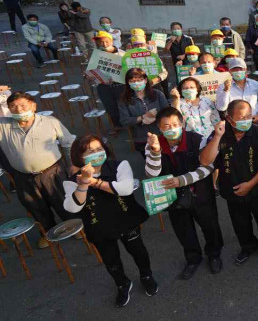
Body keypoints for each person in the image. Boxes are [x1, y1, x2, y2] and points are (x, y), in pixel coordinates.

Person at [63, 135, 155, 307]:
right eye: (90, 152)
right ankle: (122, 284)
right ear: (79, 156)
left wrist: (95, 182)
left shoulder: (119, 165)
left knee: (138, 251)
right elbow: (72, 207)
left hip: (126, 219)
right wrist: (83, 184)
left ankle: (146, 275)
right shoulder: (72, 180)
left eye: (99, 149)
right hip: (99, 227)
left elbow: (126, 189)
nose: (96, 153)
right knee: (111, 260)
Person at [144, 108, 220, 279]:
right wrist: (155, 151)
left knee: (210, 226)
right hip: (174, 198)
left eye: (175, 124)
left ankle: (214, 255)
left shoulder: (197, 139)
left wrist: (182, 180)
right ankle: (193, 259)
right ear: (159, 127)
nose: (172, 128)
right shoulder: (153, 144)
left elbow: (208, 167)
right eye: (166, 126)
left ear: (182, 124)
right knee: (183, 230)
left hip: (200, 195)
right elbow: (151, 174)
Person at [199, 101, 258, 265]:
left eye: (249, 116)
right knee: (240, 223)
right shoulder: (219, 134)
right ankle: (247, 246)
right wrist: (218, 136)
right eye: (241, 117)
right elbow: (205, 161)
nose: (246, 120)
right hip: (232, 191)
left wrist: (250, 184)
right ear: (229, 118)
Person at [0, 92, 76, 249]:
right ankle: (48, 232)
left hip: (53, 172)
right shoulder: (3, 126)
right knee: (35, 206)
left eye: (23, 105)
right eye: (13, 107)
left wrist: (72, 164)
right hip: (23, 177)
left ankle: (73, 227)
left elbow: (68, 142)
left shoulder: (49, 122)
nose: (19, 110)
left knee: (62, 201)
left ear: (33, 106)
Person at [117, 68, 169, 154]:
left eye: (139, 80)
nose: (136, 83)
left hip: (162, 134)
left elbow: (167, 113)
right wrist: (143, 117)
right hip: (141, 138)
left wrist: (156, 116)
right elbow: (124, 121)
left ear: (145, 80)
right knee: (151, 163)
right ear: (128, 83)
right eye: (132, 81)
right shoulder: (123, 100)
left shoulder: (157, 94)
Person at [215, 58, 258, 125]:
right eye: (234, 69)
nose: (238, 71)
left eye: (240, 69)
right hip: (234, 123)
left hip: (253, 121)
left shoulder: (256, 84)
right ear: (230, 71)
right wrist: (226, 91)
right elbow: (221, 107)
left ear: (245, 69)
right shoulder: (222, 87)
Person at [92, 31, 125, 134]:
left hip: (120, 85)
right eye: (100, 42)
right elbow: (92, 71)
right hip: (104, 86)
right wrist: (90, 75)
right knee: (110, 106)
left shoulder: (122, 54)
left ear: (111, 41)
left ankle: (129, 124)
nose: (104, 44)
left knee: (125, 104)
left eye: (106, 41)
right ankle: (117, 125)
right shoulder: (96, 55)